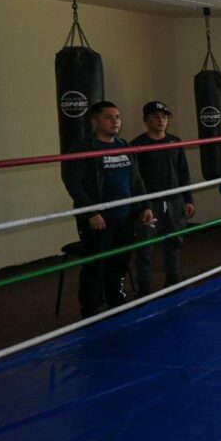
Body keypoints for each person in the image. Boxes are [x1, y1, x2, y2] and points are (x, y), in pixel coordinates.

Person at [61, 101, 155, 317]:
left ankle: (114, 297)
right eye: (108, 117)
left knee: (120, 260)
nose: (115, 121)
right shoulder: (83, 148)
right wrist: (91, 211)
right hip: (98, 217)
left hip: (124, 215)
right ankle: (91, 307)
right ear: (95, 121)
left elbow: (136, 179)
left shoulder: (123, 145)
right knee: (95, 263)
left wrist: (144, 206)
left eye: (118, 117)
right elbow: (72, 182)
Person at [131, 101, 195, 294]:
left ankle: (173, 281)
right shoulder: (137, 145)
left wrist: (188, 198)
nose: (161, 120)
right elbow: (136, 178)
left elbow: (183, 171)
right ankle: (144, 289)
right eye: (156, 117)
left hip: (174, 201)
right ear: (146, 120)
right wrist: (143, 205)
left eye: (164, 117)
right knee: (146, 247)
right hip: (150, 203)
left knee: (174, 243)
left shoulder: (175, 141)